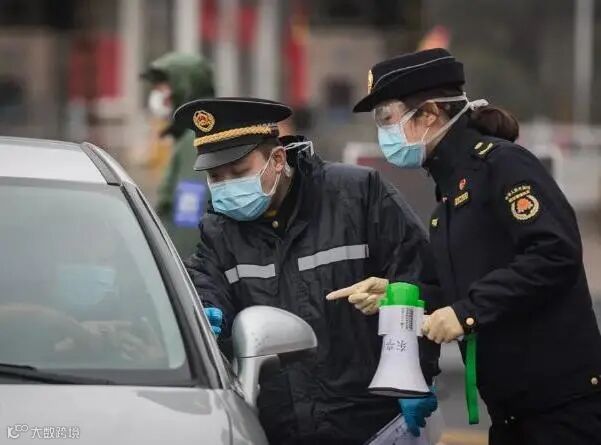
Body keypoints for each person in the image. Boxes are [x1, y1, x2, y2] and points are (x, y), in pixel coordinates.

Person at [337, 48, 601, 445]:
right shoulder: (449, 196)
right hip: (512, 411)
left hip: (563, 407)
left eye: (387, 118)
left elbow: (553, 254)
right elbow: (456, 290)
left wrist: (467, 314)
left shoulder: (503, 166)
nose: (383, 133)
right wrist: (397, 294)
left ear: (429, 114)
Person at [175, 97, 440, 444]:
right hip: (279, 427)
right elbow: (206, 283)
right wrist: (204, 311)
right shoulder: (219, 231)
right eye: (215, 177)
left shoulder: (357, 195)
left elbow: (417, 276)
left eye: (238, 172)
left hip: (373, 421)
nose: (226, 185)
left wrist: (414, 374)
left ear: (277, 159)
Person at [141, 52, 214, 258]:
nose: (156, 95)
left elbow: (188, 220)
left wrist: (178, 271)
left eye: (162, 86)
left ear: (185, 87)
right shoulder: (192, 135)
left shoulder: (195, 141)